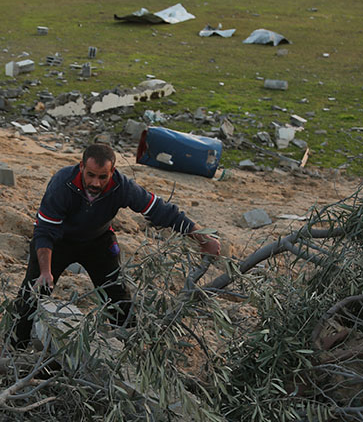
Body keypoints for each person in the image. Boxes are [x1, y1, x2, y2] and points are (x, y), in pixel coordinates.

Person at [11, 143, 221, 349]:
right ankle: (14, 348)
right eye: (91, 175)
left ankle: (128, 347)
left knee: (118, 296)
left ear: (113, 172)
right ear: (81, 167)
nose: (95, 182)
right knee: (32, 292)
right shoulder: (62, 184)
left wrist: (202, 237)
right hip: (57, 242)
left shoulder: (123, 187)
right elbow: (44, 232)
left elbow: (161, 211)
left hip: (98, 241)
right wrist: (46, 271)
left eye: (103, 177)